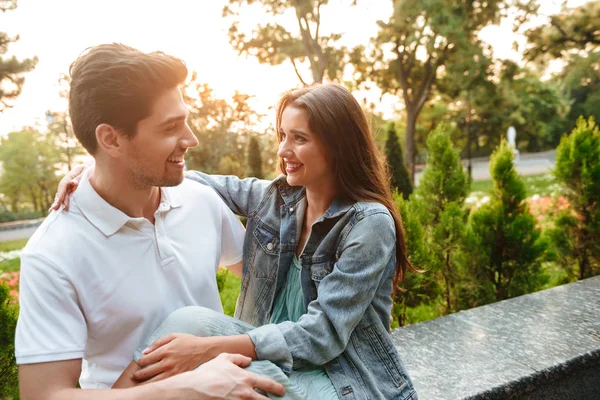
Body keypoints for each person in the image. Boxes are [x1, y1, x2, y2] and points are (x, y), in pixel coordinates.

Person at [56, 83, 418, 399]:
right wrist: (95, 171)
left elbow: (322, 335)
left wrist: (206, 351)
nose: (283, 151)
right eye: (282, 136)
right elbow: (184, 176)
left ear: (338, 146)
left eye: (299, 138)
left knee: (214, 379)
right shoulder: (279, 200)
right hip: (275, 359)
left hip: (341, 380)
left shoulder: (368, 224)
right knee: (189, 320)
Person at [15, 43, 285, 400]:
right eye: (171, 127)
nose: (191, 139)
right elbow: (43, 395)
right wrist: (187, 388)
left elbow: (271, 287)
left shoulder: (201, 200)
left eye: (185, 121)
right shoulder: (53, 254)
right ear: (110, 139)